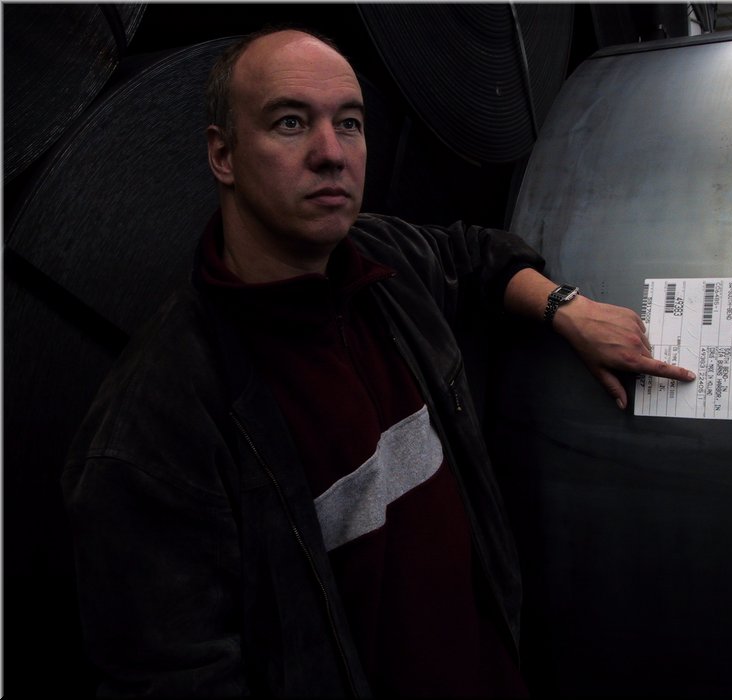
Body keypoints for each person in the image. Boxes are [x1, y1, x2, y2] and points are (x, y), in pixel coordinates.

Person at [63, 27, 695, 698]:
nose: (331, 154)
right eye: (289, 122)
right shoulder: (157, 424)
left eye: (350, 123)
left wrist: (565, 307)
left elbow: (471, 255)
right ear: (223, 154)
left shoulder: (382, 263)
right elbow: (180, 677)